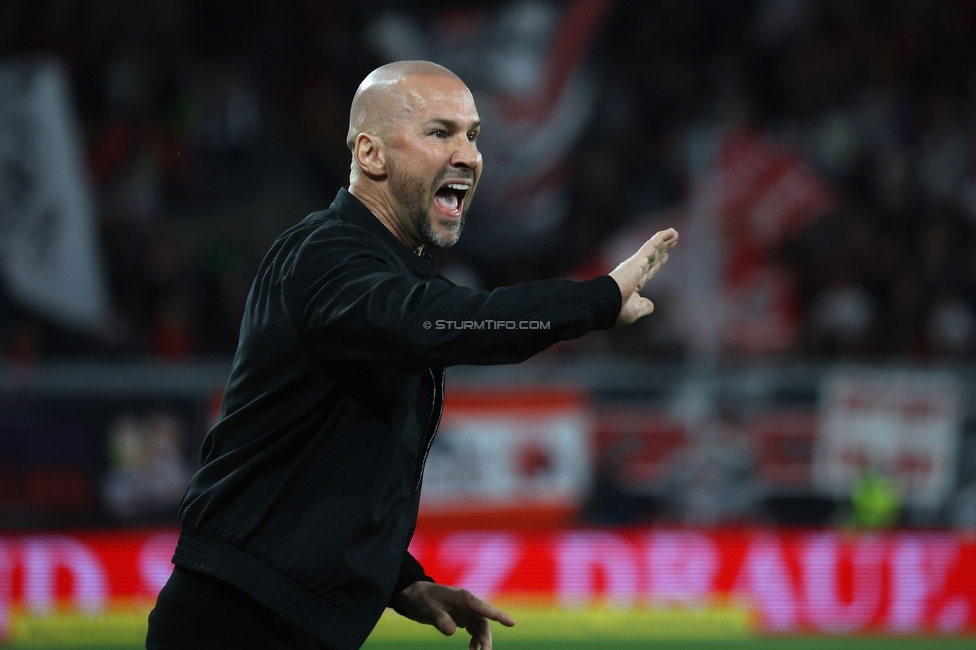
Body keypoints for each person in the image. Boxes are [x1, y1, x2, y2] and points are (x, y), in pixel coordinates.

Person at [145, 60, 677, 650]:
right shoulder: (327, 257)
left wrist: (401, 582)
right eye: (439, 132)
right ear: (371, 155)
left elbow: (321, 467)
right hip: (237, 622)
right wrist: (597, 298)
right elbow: (461, 323)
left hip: (273, 614)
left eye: (473, 135)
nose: (469, 155)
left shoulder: (375, 272)